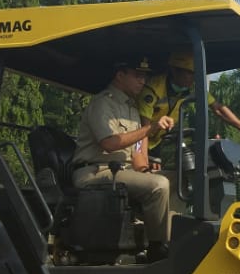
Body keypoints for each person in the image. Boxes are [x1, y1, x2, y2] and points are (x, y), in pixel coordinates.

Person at [71, 58, 175, 260]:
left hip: (122, 172)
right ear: (120, 76)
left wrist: (145, 171)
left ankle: (170, 237)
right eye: (137, 76)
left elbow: (136, 152)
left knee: (176, 179)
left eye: (145, 76)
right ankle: (158, 249)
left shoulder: (132, 109)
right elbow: (109, 143)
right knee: (159, 185)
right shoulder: (103, 102)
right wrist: (150, 127)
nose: (143, 81)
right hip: (95, 172)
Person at [138, 50, 240, 177]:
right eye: (189, 72)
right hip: (138, 141)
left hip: (160, 143)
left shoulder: (193, 88)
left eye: (195, 73)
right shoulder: (153, 88)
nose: (192, 77)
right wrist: (144, 162)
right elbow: (144, 130)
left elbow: (218, 109)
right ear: (174, 70)